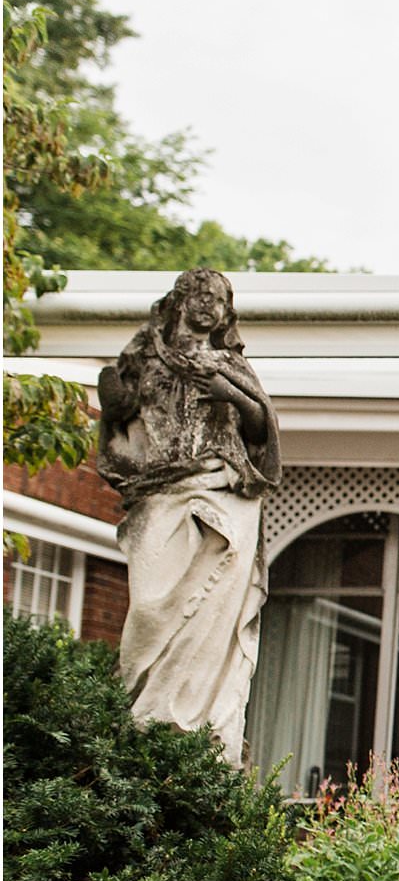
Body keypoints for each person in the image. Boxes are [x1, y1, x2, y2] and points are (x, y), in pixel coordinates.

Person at [97, 266, 281, 760]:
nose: (208, 304)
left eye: (219, 298)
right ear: (178, 301)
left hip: (223, 490)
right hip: (159, 492)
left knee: (213, 614)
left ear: (226, 314)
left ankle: (203, 730)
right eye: (199, 294)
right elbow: (115, 416)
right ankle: (145, 717)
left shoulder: (228, 364)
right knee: (151, 608)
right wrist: (111, 392)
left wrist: (231, 393)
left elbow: (262, 425)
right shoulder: (142, 363)